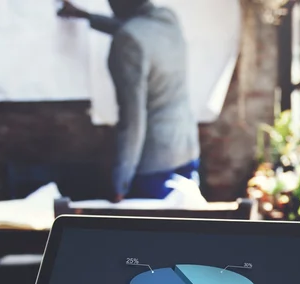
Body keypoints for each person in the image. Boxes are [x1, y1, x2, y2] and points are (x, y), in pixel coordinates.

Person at [59, 0, 200, 201]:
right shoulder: (167, 19)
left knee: (151, 231)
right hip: (186, 147)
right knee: (187, 227)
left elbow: (133, 120)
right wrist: (87, 16)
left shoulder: (129, 40)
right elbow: (135, 31)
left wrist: (121, 182)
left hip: (154, 161)